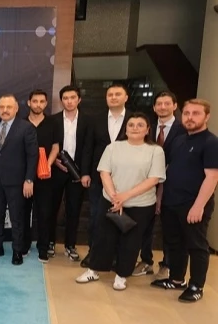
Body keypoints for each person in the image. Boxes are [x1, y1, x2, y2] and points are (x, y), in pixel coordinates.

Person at [76, 113, 165, 291]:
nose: (135, 128)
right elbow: (104, 172)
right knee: (103, 237)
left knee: (131, 241)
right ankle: (94, 270)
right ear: (126, 128)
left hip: (140, 204)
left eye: (140, 125)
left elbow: (154, 179)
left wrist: (125, 196)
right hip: (111, 200)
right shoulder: (113, 147)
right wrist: (115, 196)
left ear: (148, 130)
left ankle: (121, 275)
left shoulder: (155, 151)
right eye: (131, 125)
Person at [151, 99, 218, 302]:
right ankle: (176, 279)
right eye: (187, 113)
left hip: (193, 204)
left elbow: (212, 177)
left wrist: (198, 206)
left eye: (196, 113)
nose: (190, 117)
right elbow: (168, 170)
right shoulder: (179, 140)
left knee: (196, 245)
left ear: (207, 116)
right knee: (174, 243)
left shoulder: (211, 142)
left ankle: (196, 286)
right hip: (171, 201)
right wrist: (160, 198)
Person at [133, 91, 185, 278]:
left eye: (167, 103)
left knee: (169, 226)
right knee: (146, 223)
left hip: (172, 185)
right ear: (154, 108)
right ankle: (146, 260)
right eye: (159, 104)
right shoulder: (149, 127)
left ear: (175, 106)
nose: (163, 107)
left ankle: (167, 264)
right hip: (147, 183)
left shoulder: (183, 129)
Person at [0, 94, 38, 265]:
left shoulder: (26, 128)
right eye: (1, 107)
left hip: (17, 182)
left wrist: (29, 180)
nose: (4, 110)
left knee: (17, 218)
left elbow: (32, 156)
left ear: (16, 108)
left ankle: (17, 251)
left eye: (8, 107)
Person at [82, 83, 132, 268]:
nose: (113, 97)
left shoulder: (134, 119)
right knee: (96, 218)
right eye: (110, 94)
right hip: (98, 178)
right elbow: (88, 147)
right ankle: (94, 253)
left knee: (122, 218)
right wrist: (85, 173)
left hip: (126, 178)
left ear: (126, 98)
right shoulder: (96, 119)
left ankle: (117, 256)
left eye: (118, 94)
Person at [49, 85, 92, 262]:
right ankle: (50, 242)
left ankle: (70, 245)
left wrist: (86, 172)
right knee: (52, 208)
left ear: (79, 99)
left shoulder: (88, 121)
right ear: (61, 101)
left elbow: (89, 148)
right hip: (57, 169)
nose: (69, 101)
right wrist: (54, 161)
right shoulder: (53, 120)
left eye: (73, 98)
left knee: (74, 210)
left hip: (78, 172)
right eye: (65, 98)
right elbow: (48, 145)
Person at [23, 90, 59, 263]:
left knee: (44, 213)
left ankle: (43, 248)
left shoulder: (53, 123)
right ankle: (24, 245)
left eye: (42, 101)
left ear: (46, 103)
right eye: (35, 101)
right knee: (23, 212)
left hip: (45, 176)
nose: (38, 104)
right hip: (24, 176)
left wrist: (47, 165)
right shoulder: (21, 123)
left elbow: (56, 147)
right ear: (28, 103)